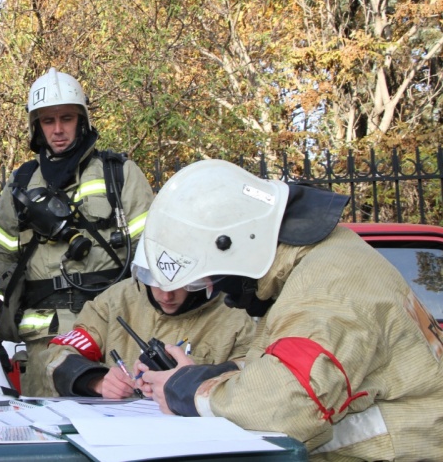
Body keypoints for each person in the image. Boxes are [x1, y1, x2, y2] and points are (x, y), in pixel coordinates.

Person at [137, 159, 443, 459]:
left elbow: (284, 407)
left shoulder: (328, 285)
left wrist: (187, 391)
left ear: (237, 246)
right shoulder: (318, 264)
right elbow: (292, 364)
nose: (217, 289)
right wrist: (216, 374)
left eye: (211, 276)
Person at [0, 68, 154, 396]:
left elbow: (151, 253)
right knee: (49, 437)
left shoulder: (119, 175)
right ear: (37, 127)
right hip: (45, 342)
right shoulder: (19, 186)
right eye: (48, 121)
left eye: (66, 118)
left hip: (113, 334)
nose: (58, 130)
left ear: (83, 120)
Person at [40, 236, 255, 398]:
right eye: (155, 281)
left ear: (202, 279)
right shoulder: (117, 301)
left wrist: (197, 380)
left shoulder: (234, 317)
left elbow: (255, 379)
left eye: (179, 284)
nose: (166, 294)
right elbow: (57, 354)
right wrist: (94, 380)